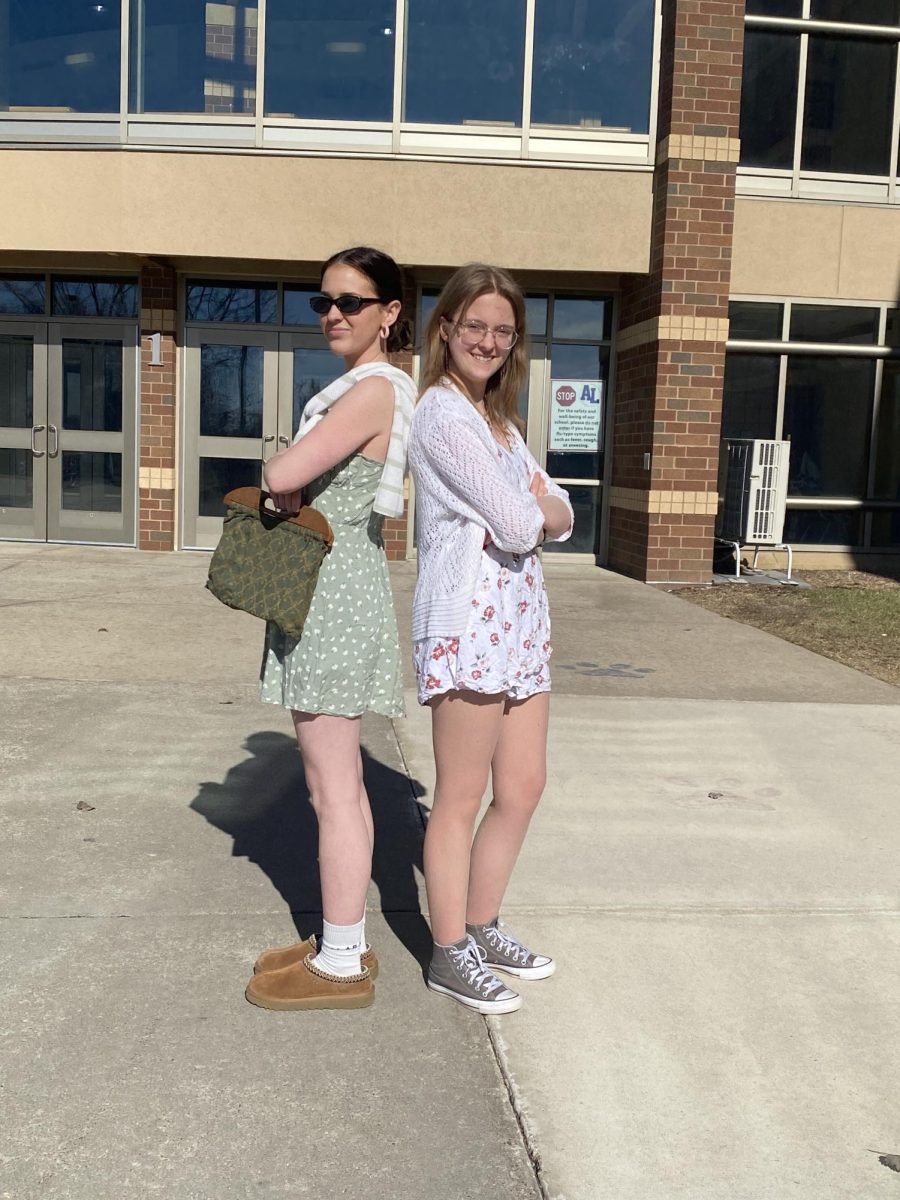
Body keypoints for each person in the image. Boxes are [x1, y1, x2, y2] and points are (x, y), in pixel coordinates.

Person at [244, 246, 417, 1012]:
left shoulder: (375, 389)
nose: (333, 315)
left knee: (336, 791)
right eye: (324, 302)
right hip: (328, 591)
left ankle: (344, 959)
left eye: (351, 301)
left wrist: (285, 474)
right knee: (326, 785)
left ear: (390, 313)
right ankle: (337, 939)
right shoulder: (358, 389)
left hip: (334, 600)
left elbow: (282, 476)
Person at [408, 263, 574, 1015]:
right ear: (445, 329)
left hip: (522, 628)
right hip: (471, 622)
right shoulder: (442, 415)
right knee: (462, 795)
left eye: (502, 332)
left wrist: (541, 506)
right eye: (474, 325)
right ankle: (449, 951)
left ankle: (482, 923)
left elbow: (563, 510)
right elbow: (519, 523)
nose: (487, 341)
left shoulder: (500, 423)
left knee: (523, 786)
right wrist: (536, 508)